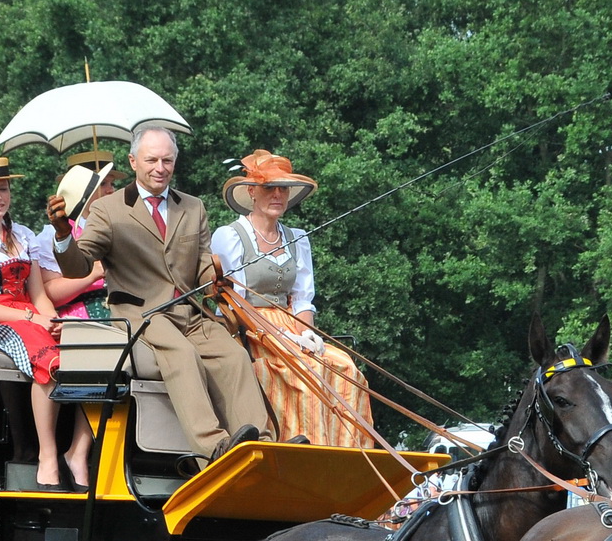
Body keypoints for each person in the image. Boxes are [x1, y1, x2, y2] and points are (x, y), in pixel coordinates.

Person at [48, 124, 273, 467]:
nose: (160, 168)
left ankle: (263, 443)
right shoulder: (108, 209)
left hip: (191, 311)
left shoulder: (193, 207)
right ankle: (214, 447)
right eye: (151, 159)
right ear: (133, 161)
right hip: (141, 315)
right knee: (182, 355)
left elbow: (199, 264)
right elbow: (78, 267)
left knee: (234, 355)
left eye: (167, 160)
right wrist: (64, 234)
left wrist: (215, 277)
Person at [0, 157, 93, 491]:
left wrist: (51, 320)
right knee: (51, 360)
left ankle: (77, 452)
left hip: (27, 316)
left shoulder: (23, 236)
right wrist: (32, 317)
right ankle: (47, 456)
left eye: (3, 189)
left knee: (91, 354)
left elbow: (38, 294)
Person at [211, 150, 373, 448]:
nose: (277, 195)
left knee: (346, 368)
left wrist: (307, 333)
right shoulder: (230, 235)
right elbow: (236, 302)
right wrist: (282, 336)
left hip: (293, 326)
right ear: (251, 192)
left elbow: (301, 298)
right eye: (268, 188)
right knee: (303, 372)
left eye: (283, 189)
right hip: (251, 331)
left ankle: (346, 456)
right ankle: (304, 449)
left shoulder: (297, 237)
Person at [44, 157, 116, 321]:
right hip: (82, 315)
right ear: (84, 190)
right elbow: (51, 294)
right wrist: (93, 273)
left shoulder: (122, 225)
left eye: (112, 184)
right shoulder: (56, 235)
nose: (111, 190)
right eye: (103, 184)